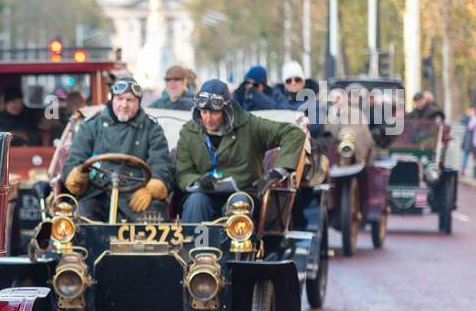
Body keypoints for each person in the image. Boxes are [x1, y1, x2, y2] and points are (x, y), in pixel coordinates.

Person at [174, 79, 306, 223]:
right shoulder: (188, 131)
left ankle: (237, 244)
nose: (208, 118)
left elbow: (293, 133)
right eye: (204, 112)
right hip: (204, 193)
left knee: (239, 204)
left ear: (226, 110)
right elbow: (183, 173)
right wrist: (198, 182)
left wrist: (276, 173)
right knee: (195, 202)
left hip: (243, 192)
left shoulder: (250, 125)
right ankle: (195, 245)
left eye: (214, 113)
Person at [63, 78, 175, 221]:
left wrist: (150, 190)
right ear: (112, 100)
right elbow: (73, 162)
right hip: (97, 193)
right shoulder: (90, 126)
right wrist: (77, 175)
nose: (124, 105)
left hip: (137, 194)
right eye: (120, 99)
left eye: (130, 100)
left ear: (138, 102)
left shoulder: (152, 129)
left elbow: (162, 166)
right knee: (82, 219)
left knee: (155, 217)